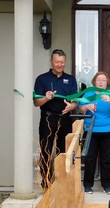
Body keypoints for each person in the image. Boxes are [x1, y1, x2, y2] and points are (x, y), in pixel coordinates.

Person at [33, 49, 78, 192]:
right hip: (47, 118)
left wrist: (72, 106)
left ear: (65, 63)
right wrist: (46, 97)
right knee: (45, 151)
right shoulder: (42, 79)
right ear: (52, 61)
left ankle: (62, 185)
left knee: (63, 151)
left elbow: (75, 100)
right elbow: (36, 102)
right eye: (57, 61)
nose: (59, 64)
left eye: (62, 62)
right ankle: (46, 185)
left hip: (65, 119)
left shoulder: (71, 79)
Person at [78, 71, 110, 195]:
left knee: (106, 159)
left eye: (103, 80)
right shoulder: (89, 93)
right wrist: (87, 106)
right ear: (94, 82)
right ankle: (87, 185)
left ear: (107, 83)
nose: (101, 82)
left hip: (109, 130)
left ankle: (106, 185)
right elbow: (80, 109)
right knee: (90, 158)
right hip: (91, 130)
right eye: (98, 80)